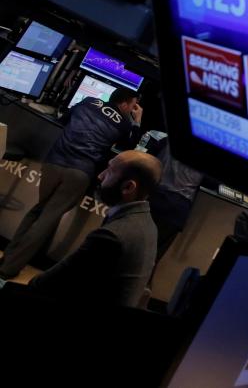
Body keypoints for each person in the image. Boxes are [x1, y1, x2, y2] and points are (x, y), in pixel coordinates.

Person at [0, 87, 143, 280]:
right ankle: (10, 268)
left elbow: (63, 120)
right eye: (133, 105)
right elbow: (129, 149)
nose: (133, 108)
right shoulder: (124, 124)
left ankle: (8, 255)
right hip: (79, 172)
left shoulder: (87, 102)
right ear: (125, 103)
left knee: (38, 209)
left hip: (52, 163)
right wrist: (137, 122)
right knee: (48, 219)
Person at [28, 150, 161, 307]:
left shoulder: (111, 236)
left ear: (128, 187)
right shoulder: (148, 224)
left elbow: (47, 283)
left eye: (109, 171)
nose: (100, 176)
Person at [148, 142, 203, 261]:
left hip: (155, 197)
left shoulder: (169, 140)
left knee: (135, 246)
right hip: (177, 207)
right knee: (153, 256)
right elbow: (212, 183)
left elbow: (149, 155)